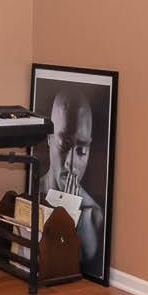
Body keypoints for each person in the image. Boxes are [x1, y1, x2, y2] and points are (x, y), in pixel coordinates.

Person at [44, 85, 104, 275]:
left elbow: (80, 259)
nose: (70, 164)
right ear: (49, 139)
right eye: (64, 145)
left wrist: (71, 208)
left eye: (81, 150)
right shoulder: (30, 194)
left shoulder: (93, 216)